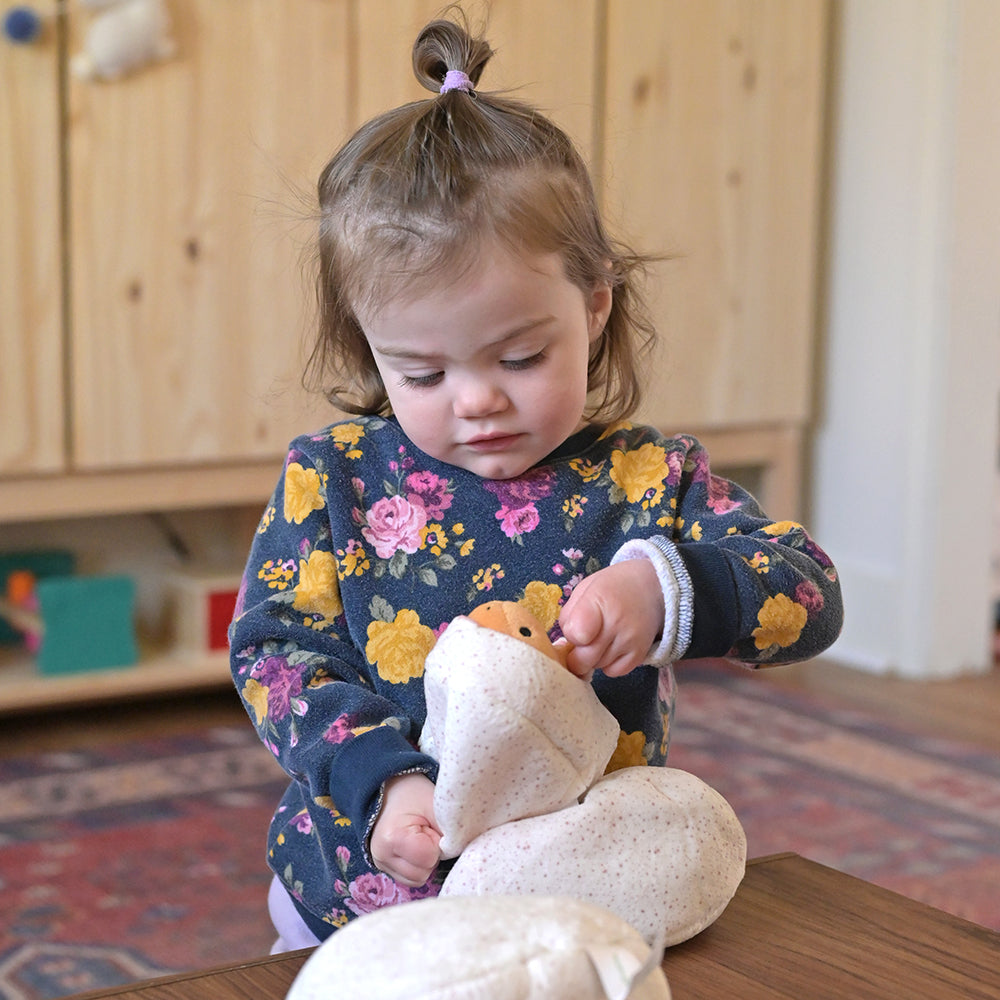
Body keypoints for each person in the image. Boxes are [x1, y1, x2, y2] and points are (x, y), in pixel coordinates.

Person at [230, 12, 842, 950]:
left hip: (577, 909)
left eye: (519, 355)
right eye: (424, 374)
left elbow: (808, 590)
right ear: (370, 345)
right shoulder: (333, 480)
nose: (477, 402)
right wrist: (381, 781)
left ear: (593, 305)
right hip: (358, 904)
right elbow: (275, 657)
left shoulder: (647, 479)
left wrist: (666, 586)